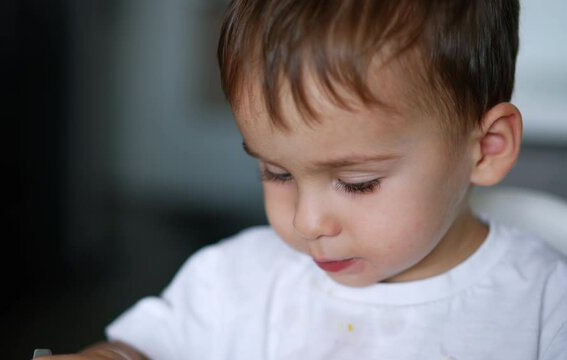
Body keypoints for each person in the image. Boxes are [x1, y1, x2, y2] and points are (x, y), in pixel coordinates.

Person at [38, 0, 567, 359]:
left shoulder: (544, 305)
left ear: (488, 148)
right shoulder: (233, 282)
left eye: (357, 182)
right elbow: (140, 348)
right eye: (276, 172)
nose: (305, 221)